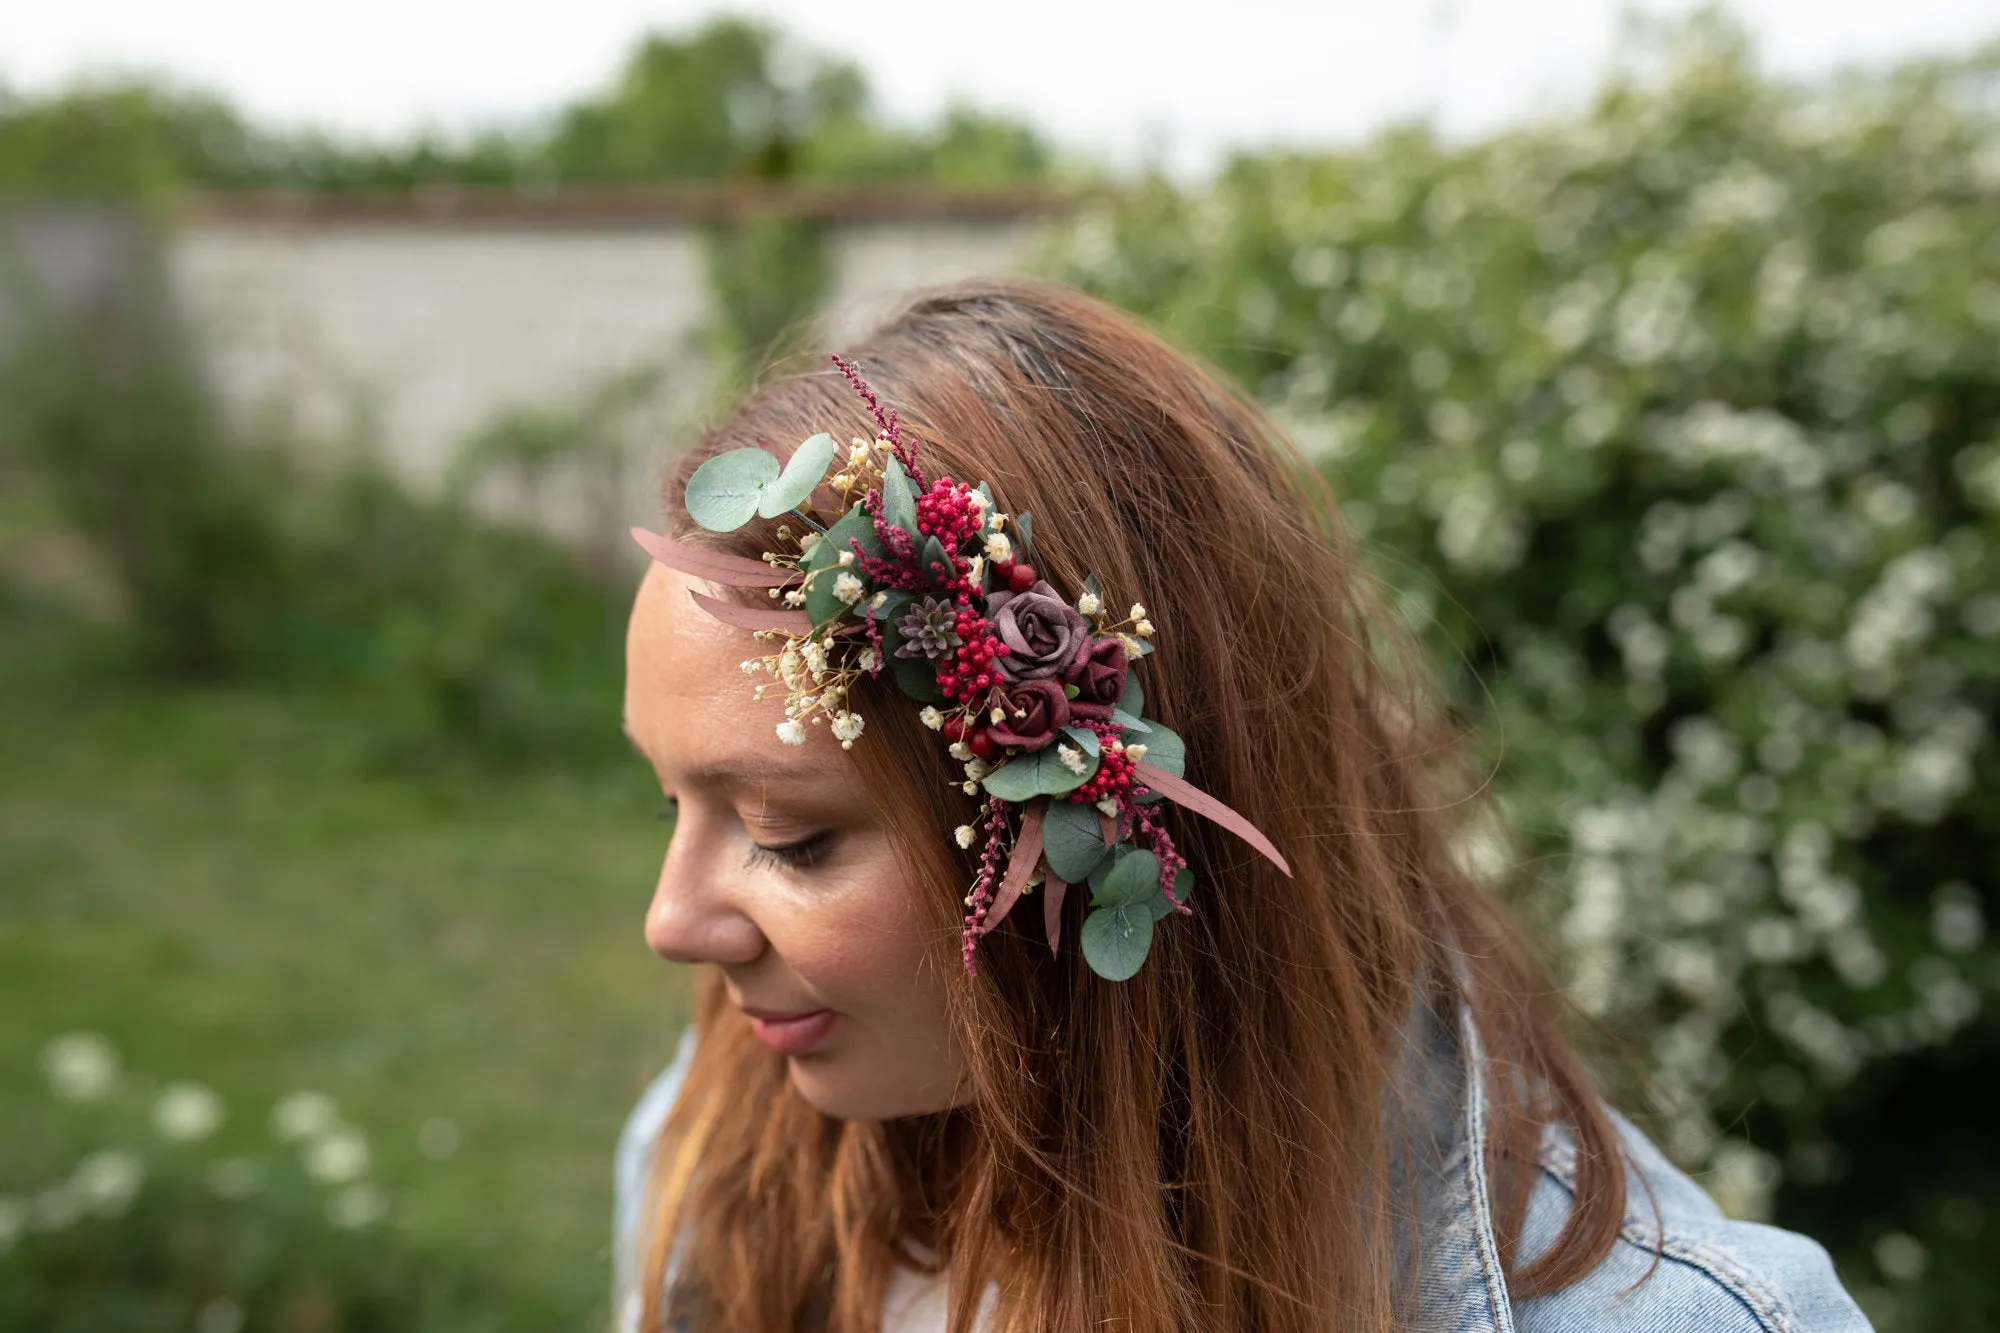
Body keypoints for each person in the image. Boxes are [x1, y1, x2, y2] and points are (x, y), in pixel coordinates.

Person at [613, 280, 1870, 1332]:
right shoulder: (720, 1144)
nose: (673, 921)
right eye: (671, 797)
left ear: (1094, 818)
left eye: (789, 832)